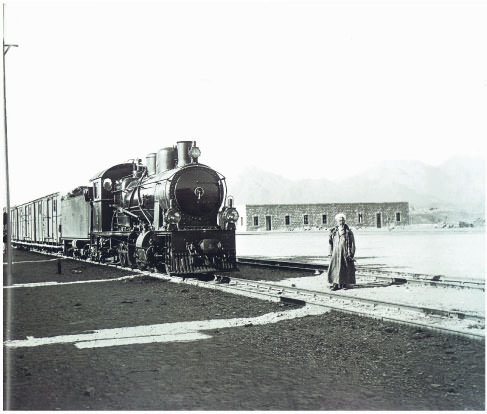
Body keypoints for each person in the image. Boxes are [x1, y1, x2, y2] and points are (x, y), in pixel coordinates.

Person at [327, 213, 356, 291]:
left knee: (344, 268)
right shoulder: (333, 232)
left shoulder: (349, 232)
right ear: (337, 221)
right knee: (335, 268)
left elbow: (353, 244)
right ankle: (335, 284)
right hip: (335, 253)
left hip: (345, 253)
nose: (341, 222)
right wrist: (330, 253)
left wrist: (352, 254)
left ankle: (343, 283)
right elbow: (330, 243)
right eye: (340, 220)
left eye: (343, 220)